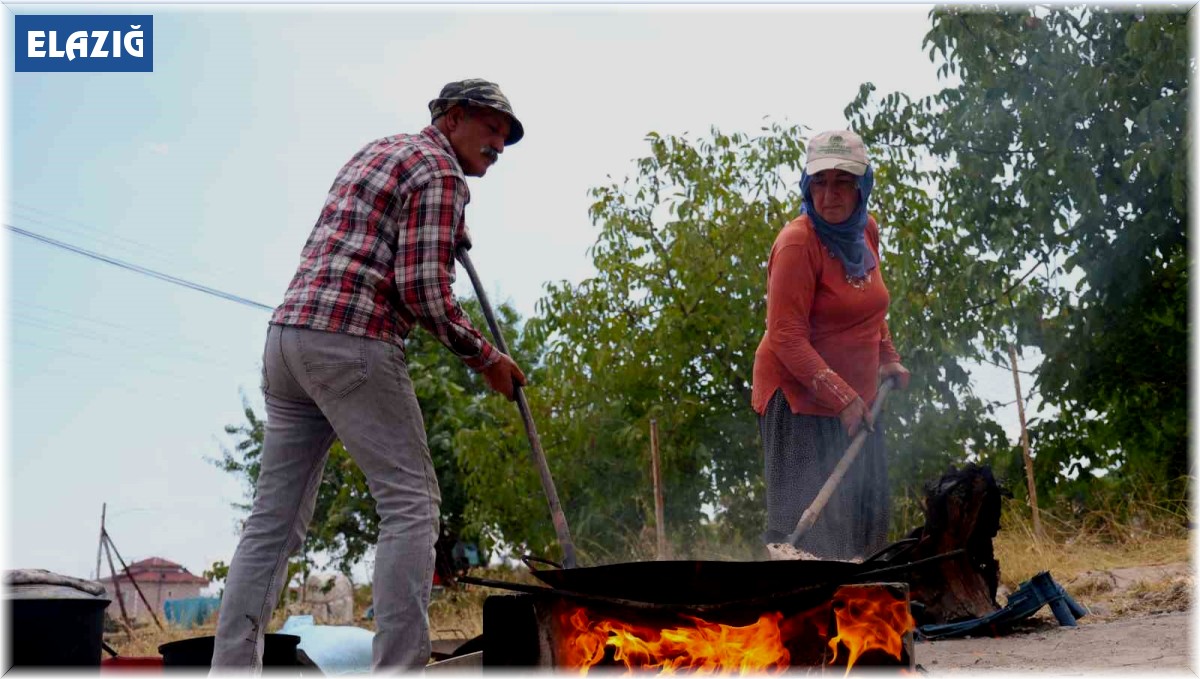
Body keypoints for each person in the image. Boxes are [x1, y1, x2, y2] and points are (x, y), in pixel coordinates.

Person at [211, 78, 528, 672]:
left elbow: (368, 241)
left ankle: (229, 668)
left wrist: (443, 232)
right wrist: (487, 358)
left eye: (507, 138)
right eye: (492, 129)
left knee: (272, 525)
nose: (500, 145)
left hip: (288, 340)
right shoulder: (441, 174)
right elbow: (423, 292)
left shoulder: (379, 150)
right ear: (454, 117)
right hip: (353, 340)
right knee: (411, 503)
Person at [751, 129, 911, 562]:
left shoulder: (866, 233)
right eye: (819, 182)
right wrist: (841, 397)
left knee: (864, 519)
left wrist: (887, 359)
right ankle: (805, 619)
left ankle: (862, 621)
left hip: (856, 399)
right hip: (800, 399)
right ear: (807, 186)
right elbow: (785, 335)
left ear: (863, 186)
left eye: (842, 182)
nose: (830, 195)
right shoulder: (798, 243)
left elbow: (870, 305)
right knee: (808, 539)